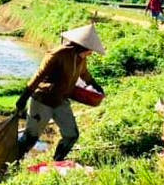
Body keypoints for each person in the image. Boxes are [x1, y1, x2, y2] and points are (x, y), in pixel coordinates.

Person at [15, 24, 105, 162]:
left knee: (71, 135)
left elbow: (84, 74)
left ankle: (57, 162)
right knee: (31, 137)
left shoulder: (81, 59)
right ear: (84, 47)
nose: (91, 53)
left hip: (61, 101)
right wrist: (25, 95)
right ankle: (11, 163)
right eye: (90, 50)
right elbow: (39, 75)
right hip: (43, 100)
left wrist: (95, 85)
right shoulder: (58, 54)